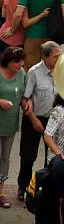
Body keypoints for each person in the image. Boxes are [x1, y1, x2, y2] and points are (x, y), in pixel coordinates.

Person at [17, 41, 61, 198]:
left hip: (53, 120)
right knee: (28, 156)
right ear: (45, 57)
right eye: (56, 56)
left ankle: (46, 188)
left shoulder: (61, 71)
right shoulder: (34, 73)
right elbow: (24, 99)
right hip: (34, 119)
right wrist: (34, 120)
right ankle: (23, 187)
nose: (59, 59)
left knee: (52, 157)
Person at [0, 46, 25, 209]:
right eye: (17, 62)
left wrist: (26, 102)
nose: (21, 64)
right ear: (8, 62)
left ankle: (0, 193)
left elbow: (24, 94)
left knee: (5, 159)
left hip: (10, 125)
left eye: (22, 61)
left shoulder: (22, 73)